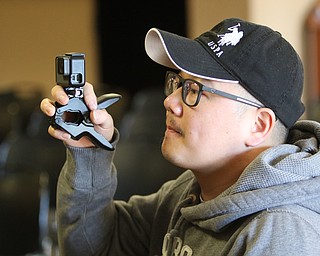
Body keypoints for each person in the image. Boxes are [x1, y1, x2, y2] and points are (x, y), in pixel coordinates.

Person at [40, 18, 320, 255]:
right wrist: (90, 152)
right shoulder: (190, 191)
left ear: (258, 125)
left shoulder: (281, 234)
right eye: (177, 83)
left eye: (195, 90)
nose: (171, 101)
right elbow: (95, 247)